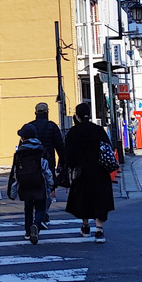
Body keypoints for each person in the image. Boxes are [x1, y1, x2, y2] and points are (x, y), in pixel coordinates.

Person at [63, 103, 115, 243]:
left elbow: (68, 155)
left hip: (82, 172)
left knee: (82, 199)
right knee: (100, 199)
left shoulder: (73, 132)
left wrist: (71, 167)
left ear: (77, 116)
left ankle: (85, 227)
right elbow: (108, 148)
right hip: (100, 170)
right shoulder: (98, 130)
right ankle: (99, 231)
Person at [7, 124, 53, 245]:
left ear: (23, 138)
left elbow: (15, 173)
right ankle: (36, 225)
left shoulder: (19, 153)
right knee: (40, 208)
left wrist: (12, 192)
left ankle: (28, 232)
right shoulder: (41, 150)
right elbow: (46, 170)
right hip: (39, 183)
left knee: (28, 208)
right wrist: (51, 184)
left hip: (24, 184)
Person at [28, 102, 65, 227]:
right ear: (47, 112)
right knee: (48, 190)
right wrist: (63, 164)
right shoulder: (52, 127)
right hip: (48, 163)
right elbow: (60, 147)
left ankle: (38, 217)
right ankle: (42, 215)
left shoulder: (30, 127)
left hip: (31, 165)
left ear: (35, 113)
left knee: (33, 191)